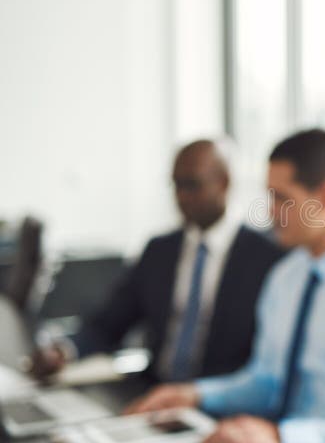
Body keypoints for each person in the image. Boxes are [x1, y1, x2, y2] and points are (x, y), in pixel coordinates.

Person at [126, 129, 325, 443]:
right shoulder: (286, 276)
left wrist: (282, 438)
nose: (270, 212)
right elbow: (266, 381)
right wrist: (196, 395)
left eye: (282, 199)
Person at [29, 139, 284, 382]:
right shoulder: (160, 250)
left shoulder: (266, 257)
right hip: (153, 392)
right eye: (176, 185)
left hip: (221, 404)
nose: (182, 197)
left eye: (192, 185)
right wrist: (64, 350)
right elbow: (108, 323)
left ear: (224, 183)